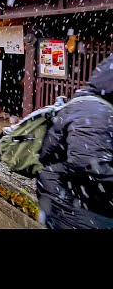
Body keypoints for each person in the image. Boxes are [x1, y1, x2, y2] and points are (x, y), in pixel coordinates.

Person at [36, 54, 113, 229]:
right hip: (74, 208)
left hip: (67, 200)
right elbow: (89, 165)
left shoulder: (90, 105)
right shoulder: (94, 111)